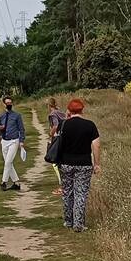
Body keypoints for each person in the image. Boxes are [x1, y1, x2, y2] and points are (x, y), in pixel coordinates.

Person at [53, 98, 100, 233]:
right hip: (84, 163)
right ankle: (78, 223)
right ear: (82, 110)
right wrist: (97, 164)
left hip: (66, 163)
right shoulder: (90, 125)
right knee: (81, 193)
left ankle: (68, 221)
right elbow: (96, 145)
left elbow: (56, 140)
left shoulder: (63, 125)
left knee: (67, 192)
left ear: (69, 110)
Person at [0, 95, 26, 192]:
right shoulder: (1, 116)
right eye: (7, 103)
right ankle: (16, 183)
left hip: (14, 140)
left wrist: (21, 141)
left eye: (10, 103)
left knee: (8, 162)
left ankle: (3, 182)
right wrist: (0, 128)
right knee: (8, 163)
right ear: (4, 104)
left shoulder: (17, 116)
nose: (9, 104)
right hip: (4, 141)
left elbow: (21, 129)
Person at [46, 97, 66, 197]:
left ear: (49, 106)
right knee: (62, 162)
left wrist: (50, 134)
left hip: (57, 138)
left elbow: (55, 125)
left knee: (55, 163)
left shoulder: (53, 114)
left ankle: (62, 186)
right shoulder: (60, 112)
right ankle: (65, 185)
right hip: (64, 137)